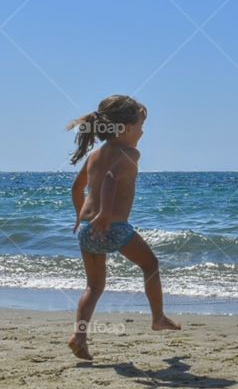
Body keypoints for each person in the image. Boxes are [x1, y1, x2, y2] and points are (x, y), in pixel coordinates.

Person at [66, 95, 180, 360]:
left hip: (87, 230)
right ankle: (158, 318)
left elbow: (77, 187)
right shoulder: (130, 153)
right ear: (126, 127)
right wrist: (105, 214)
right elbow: (109, 179)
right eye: (141, 124)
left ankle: (79, 337)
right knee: (150, 265)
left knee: (93, 287)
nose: (143, 131)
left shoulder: (95, 155)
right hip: (114, 226)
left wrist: (80, 217)